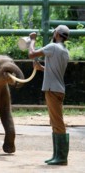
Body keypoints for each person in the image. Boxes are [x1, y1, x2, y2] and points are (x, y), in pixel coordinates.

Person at [28, 25, 70, 165]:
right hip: (58, 89)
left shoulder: (53, 47)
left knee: (57, 123)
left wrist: (32, 40)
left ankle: (61, 157)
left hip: (52, 89)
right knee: (55, 122)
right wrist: (41, 68)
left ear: (57, 33)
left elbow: (32, 54)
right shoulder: (64, 51)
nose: (53, 33)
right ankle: (57, 155)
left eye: (54, 31)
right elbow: (54, 71)